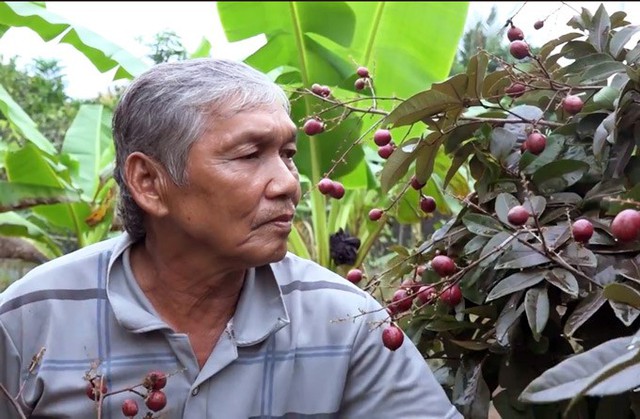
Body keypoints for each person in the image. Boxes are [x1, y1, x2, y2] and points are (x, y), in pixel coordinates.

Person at [0, 58, 462, 418]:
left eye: (287, 154)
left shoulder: (347, 322)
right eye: (248, 155)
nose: (288, 183)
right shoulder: (29, 322)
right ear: (148, 182)